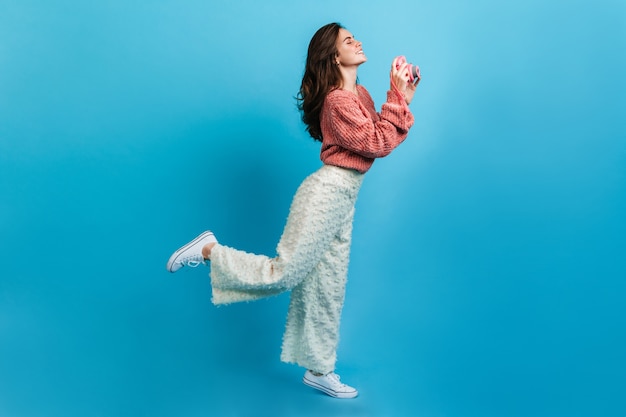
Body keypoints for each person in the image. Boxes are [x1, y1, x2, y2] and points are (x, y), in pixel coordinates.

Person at [166, 22, 420, 399]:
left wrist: (402, 99)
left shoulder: (360, 95)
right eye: (349, 41)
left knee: (327, 285)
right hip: (327, 192)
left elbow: (383, 131)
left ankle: (320, 369)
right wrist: (396, 96)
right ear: (334, 56)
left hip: (345, 197)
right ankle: (208, 250)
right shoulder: (337, 101)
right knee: (282, 274)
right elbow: (376, 141)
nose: (358, 42)